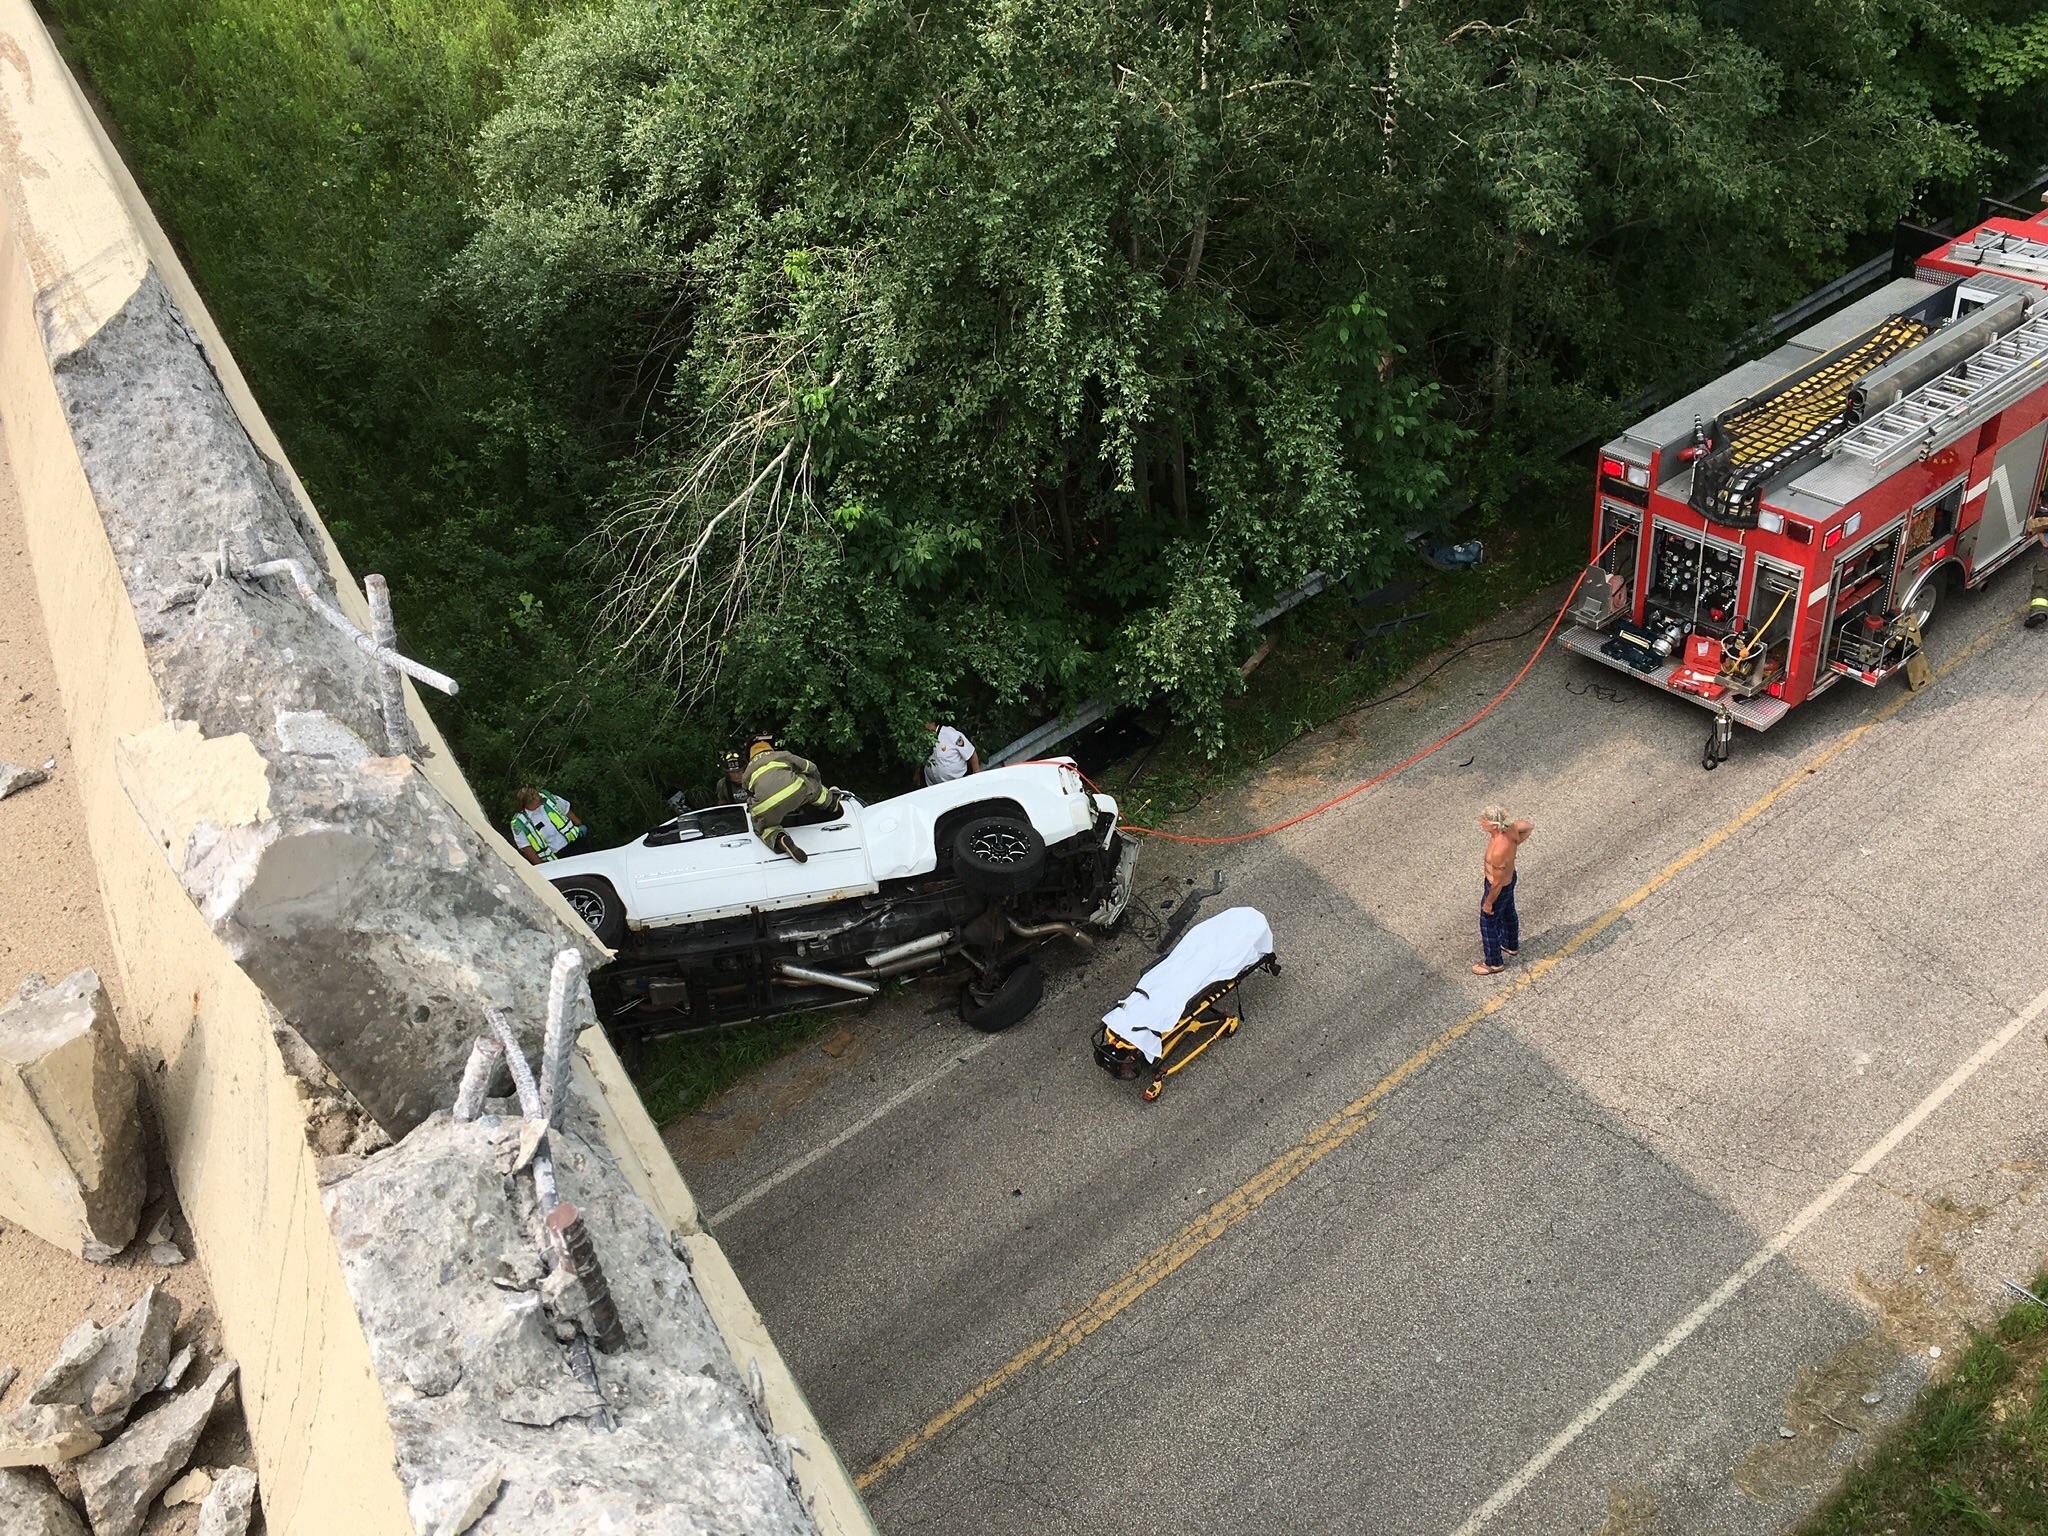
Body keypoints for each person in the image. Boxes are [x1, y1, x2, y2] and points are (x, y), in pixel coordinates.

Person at [726, 736, 840, 865]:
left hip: (766, 806)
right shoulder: (782, 755)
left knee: (763, 827)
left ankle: (779, 838)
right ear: (771, 749)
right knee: (809, 782)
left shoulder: (747, 773)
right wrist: (817, 784)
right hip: (794, 791)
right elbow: (811, 767)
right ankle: (831, 802)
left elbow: (750, 794)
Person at [1474, 805, 1533, 976]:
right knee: (1508, 912)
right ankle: (1510, 944)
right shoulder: (1511, 829)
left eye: (1483, 820)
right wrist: (1516, 844)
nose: (1481, 822)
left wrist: (1489, 902)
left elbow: (1497, 883)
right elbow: (1529, 826)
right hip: (1509, 879)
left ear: (1493, 825)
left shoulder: (1499, 849)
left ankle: (1493, 962)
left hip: (1498, 886)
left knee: (1488, 922)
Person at [510, 786, 585, 865]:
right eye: (537, 795)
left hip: (575, 843)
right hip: (556, 857)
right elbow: (526, 848)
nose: (540, 795)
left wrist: (579, 824)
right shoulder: (520, 823)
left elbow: (566, 809)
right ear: (530, 802)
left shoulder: (549, 799)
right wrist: (542, 866)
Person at [918, 721, 980, 786]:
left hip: (958, 783)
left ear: (933, 722)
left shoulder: (950, 734)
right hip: (935, 786)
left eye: (924, 723)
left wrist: (977, 775)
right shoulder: (923, 738)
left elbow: (971, 753)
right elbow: (920, 757)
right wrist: (917, 773)